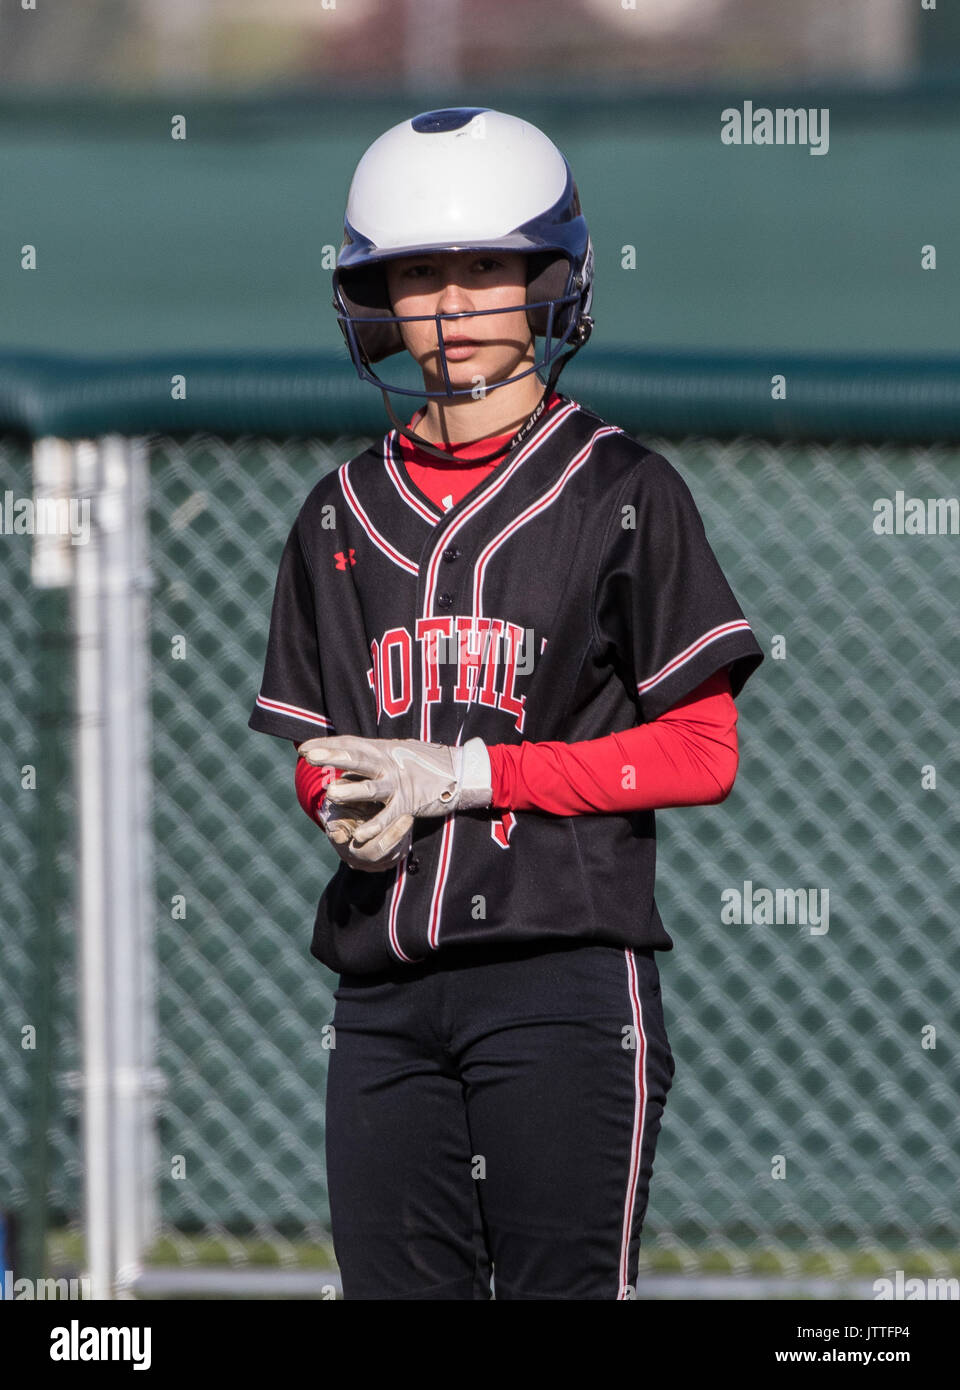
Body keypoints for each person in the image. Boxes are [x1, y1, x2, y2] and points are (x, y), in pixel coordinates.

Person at [248, 106, 764, 1300]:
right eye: (417, 272)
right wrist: (338, 798)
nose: (449, 301)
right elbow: (320, 748)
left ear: (551, 280)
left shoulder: (622, 487)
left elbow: (703, 749)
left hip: (564, 981)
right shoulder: (336, 513)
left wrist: (477, 778)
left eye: (485, 267)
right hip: (381, 993)